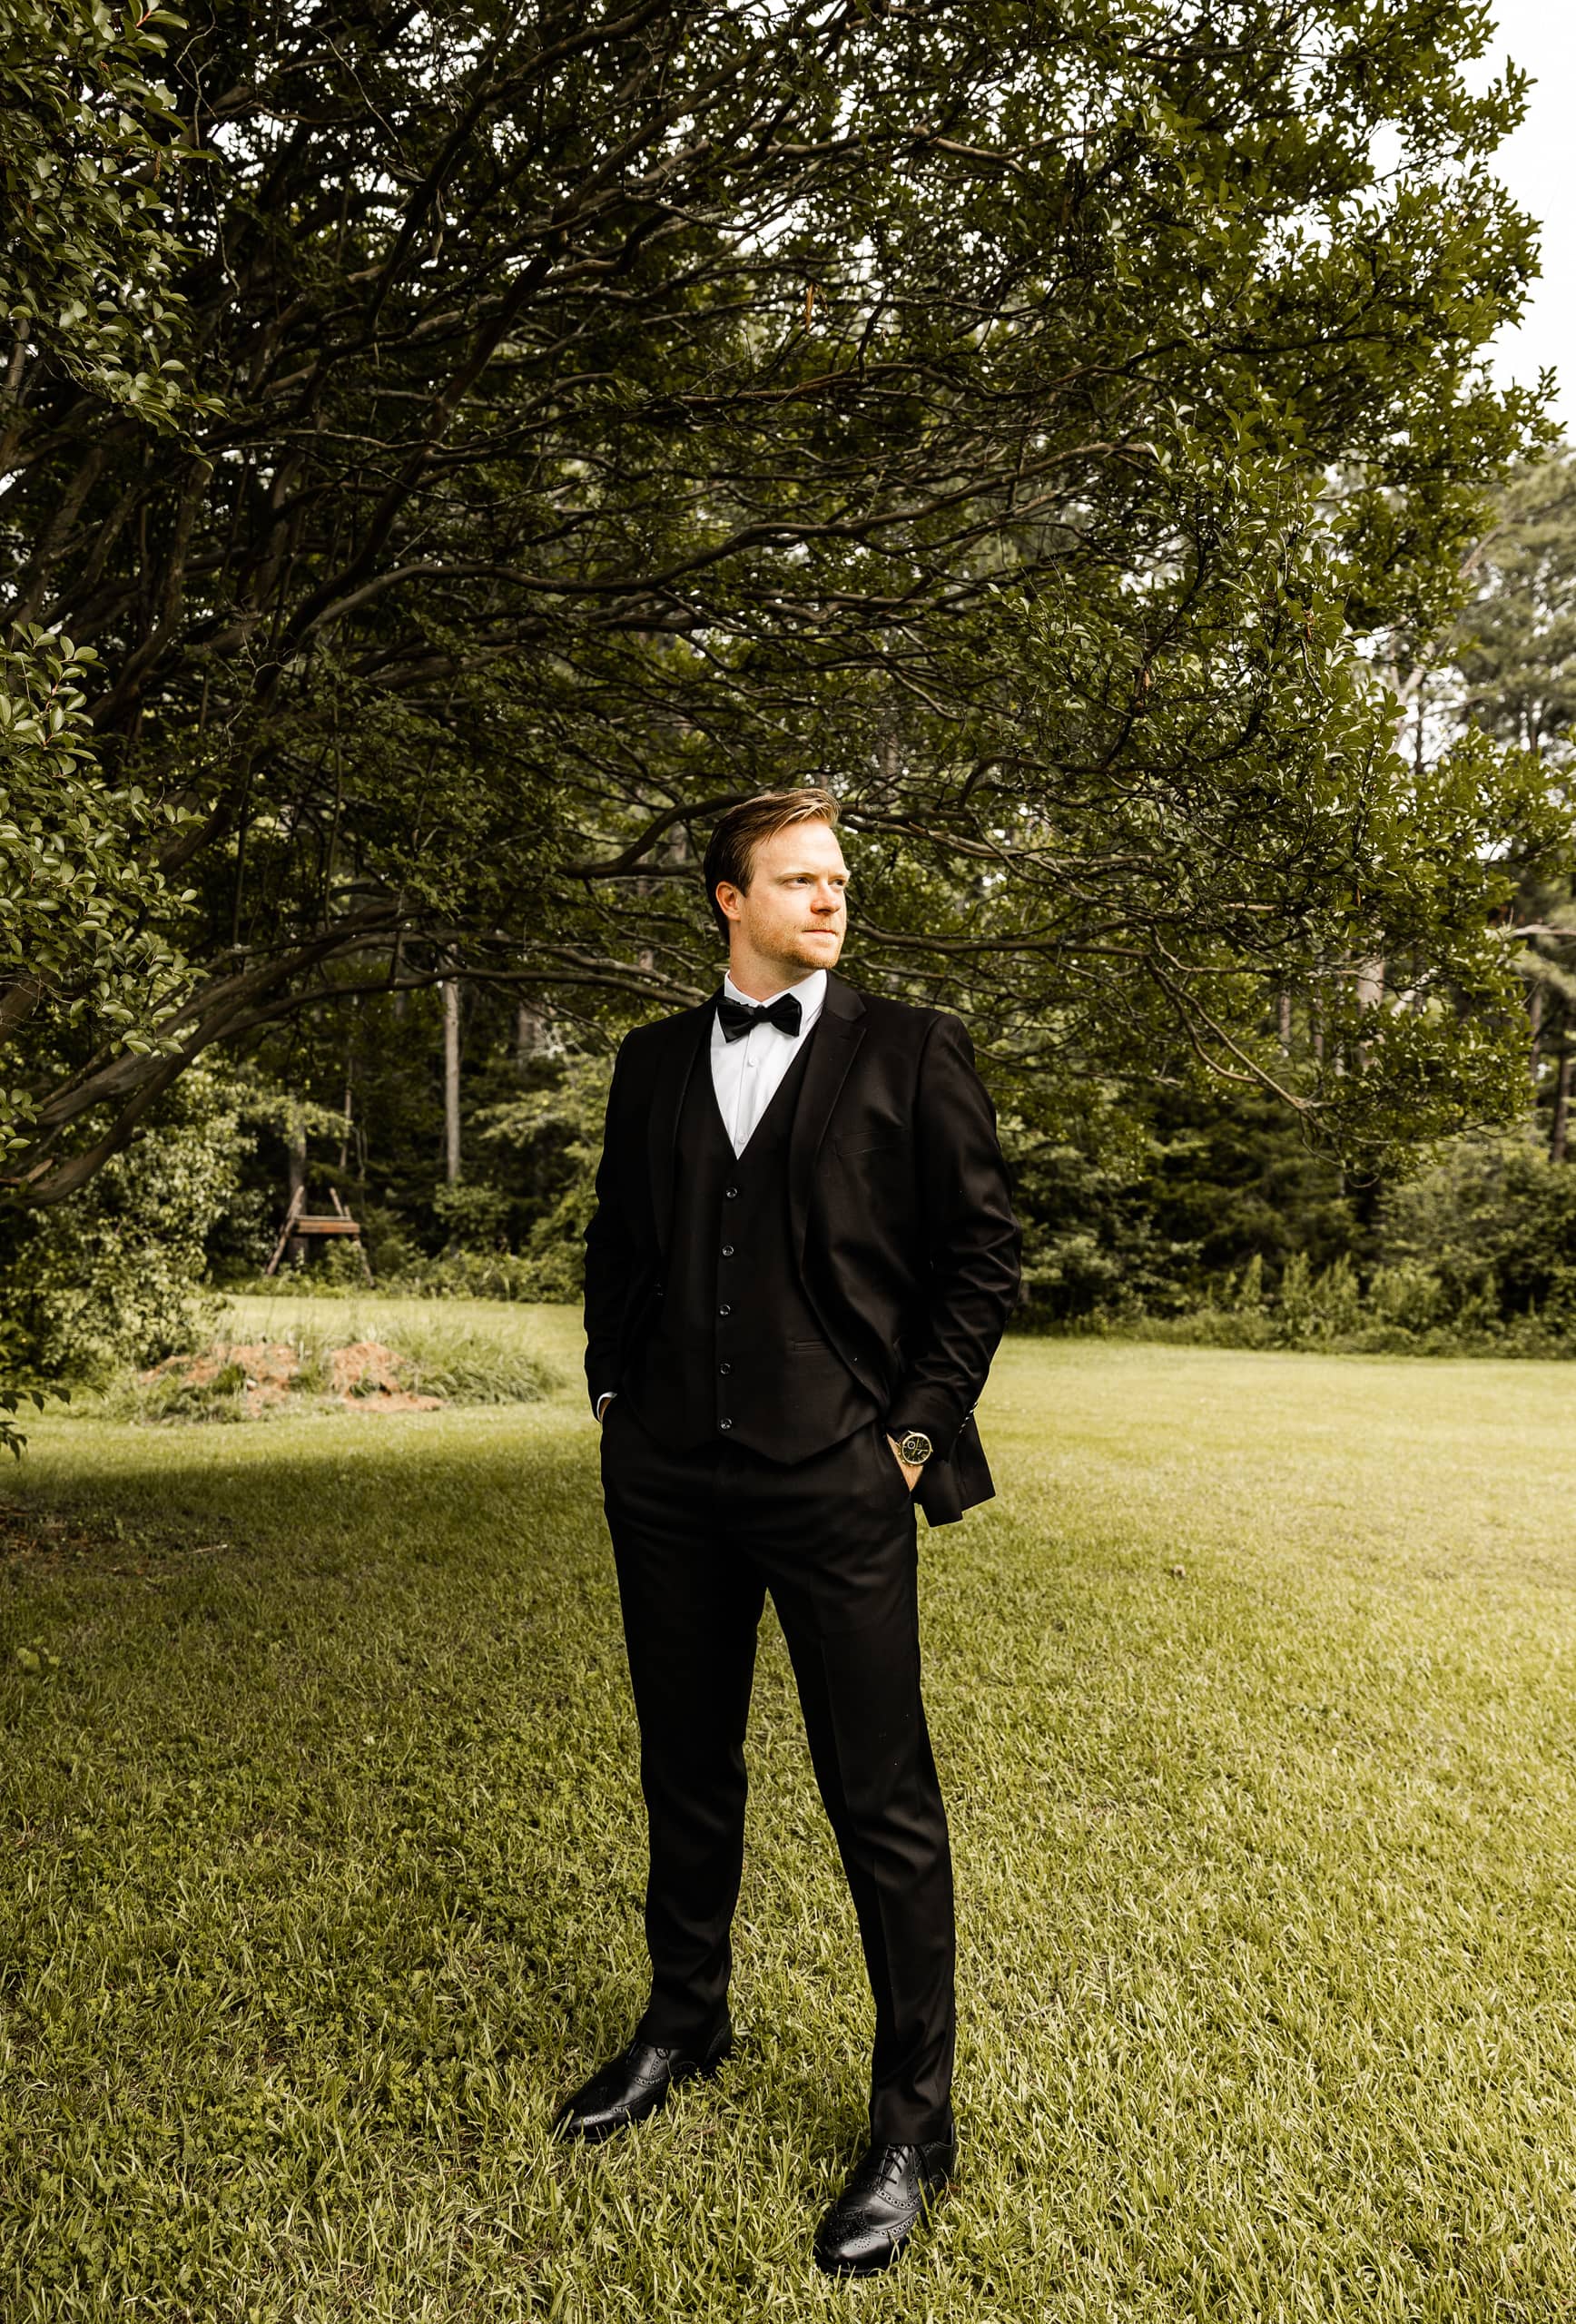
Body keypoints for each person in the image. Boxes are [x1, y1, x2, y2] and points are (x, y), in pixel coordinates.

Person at [559, 786, 1020, 2276]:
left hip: (838, 1478)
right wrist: (616, 1393)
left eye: (838, 880)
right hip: (669, 1480)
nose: (830, 900)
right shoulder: (646, 1063)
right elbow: (621, 1245)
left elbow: (982, 1255)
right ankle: (684, 2026)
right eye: (799, 880)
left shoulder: (910, 1048)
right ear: (727, 901)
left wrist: (906, 1437)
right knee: (685, 1773)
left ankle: (913, 2126)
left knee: (879, 1801)